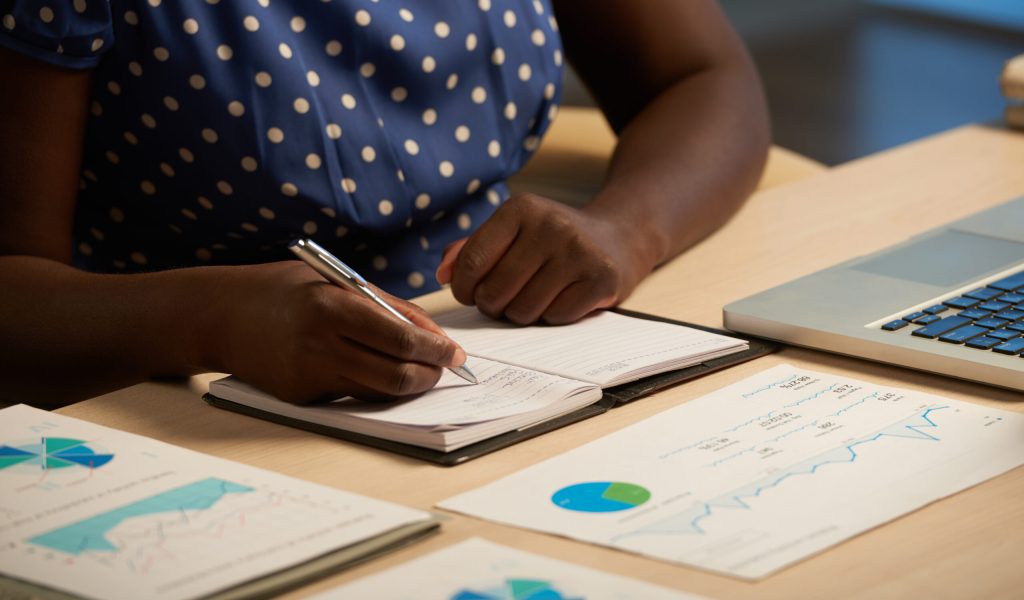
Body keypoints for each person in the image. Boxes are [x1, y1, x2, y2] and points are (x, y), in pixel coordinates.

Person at [0, 1, 769, 407]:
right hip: (175, 401)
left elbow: (702, 76)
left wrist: (623, 228)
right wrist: (212, 321)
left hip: (518, 363)